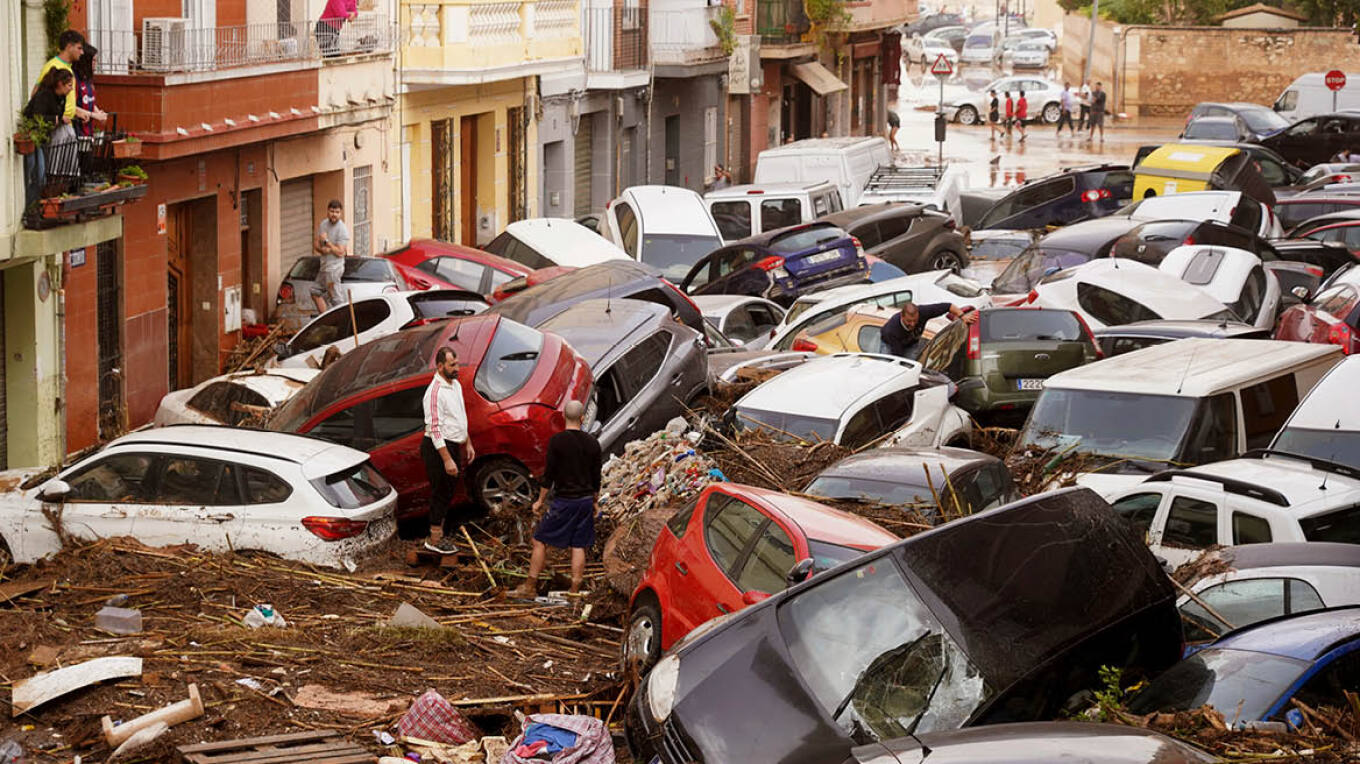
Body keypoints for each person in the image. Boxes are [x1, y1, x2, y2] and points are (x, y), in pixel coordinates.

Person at [513, 400, 602, 599]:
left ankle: (530, 586)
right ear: (582, 418)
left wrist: (540, 501)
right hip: (585, 501)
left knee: (539, 540)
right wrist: (594, 502)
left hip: (565, 501)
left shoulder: (557, 442)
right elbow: (596, 477)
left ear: (564, 417)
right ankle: (574, 590)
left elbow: (549, 476)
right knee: (578, 545)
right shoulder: (593, 443)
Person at [420, 347, 476, 555]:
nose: (457, 368)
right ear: (440, 366)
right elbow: (434, 428)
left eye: (457, 364)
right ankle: (434, 539)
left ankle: (440, 533)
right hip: (438, 448)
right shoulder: (434, 393)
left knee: (450, 490)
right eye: (452, 365)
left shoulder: (456, 385)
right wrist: (447, 459)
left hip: (454, 444)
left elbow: (459, 416)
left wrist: (467, 441)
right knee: (441, 492)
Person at [21, 68, 74, 211]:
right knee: (35, 172)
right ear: (60, 84)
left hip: (44, 138)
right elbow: (37, 116)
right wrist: (57, 119)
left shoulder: (62, 98)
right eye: (69, 85)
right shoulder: (44, 96)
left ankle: (32, 206)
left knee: (42, 176)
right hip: (33, 136)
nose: (71, 89)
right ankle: (28, 207)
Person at [879, 301, 978, 361]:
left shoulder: (924, 311)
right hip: (890, 344)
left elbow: (948, 306)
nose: (912, 324)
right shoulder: (892, 330)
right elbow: (898, 358)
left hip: (911, 343)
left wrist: (963, 316)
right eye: (909, 321)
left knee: (911, 367)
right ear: (902, 316)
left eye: (915, 320)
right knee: (892, 368)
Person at [311, 200, 350, 312]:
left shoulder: (342, 229)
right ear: (328, 211)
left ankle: (343, 323)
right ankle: (325, 321)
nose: (334, 214)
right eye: (332, 211)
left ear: (340, 213)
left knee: (336, 300)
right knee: (315, 292)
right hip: (324, 267)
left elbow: (340, 252)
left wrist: (327, 242)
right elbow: (316, 244)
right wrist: (322, 249)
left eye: (337, 212)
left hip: (334, 269)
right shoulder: (324, 224)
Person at [72, 44, 106, 139]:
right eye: (93, 60)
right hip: (77, 131)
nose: (95, 63)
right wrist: (93, 115)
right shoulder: (74, 78)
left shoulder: (88, 79)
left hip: (88, 132)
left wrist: (98, 113)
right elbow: (71, 106)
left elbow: (89, 100)